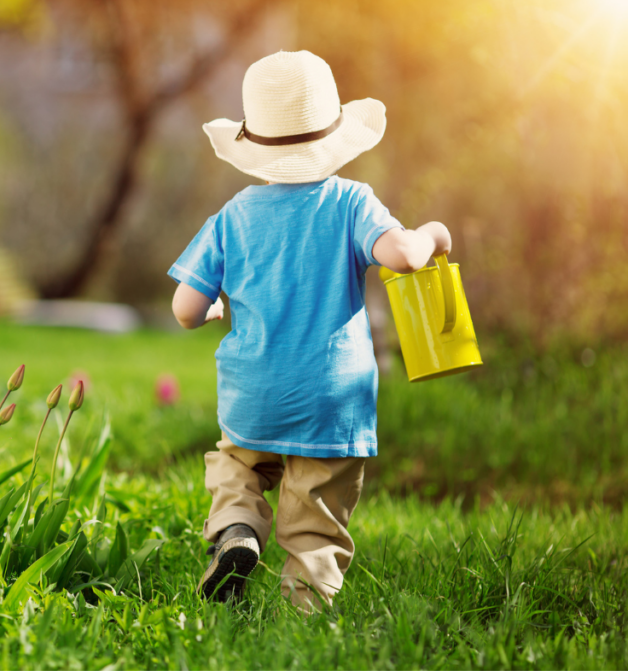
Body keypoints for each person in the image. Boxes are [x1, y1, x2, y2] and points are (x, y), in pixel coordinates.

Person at [168, 50, 451, 613]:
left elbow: (184, 308)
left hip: (254, 395)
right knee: (315, 515)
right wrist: (434, 234)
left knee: (236, 467)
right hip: (330, 401)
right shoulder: (350, 202)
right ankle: (304, 609)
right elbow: (403, 255)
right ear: (334, 137)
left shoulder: (234, 214)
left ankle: (239, 530)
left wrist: (212, 312)